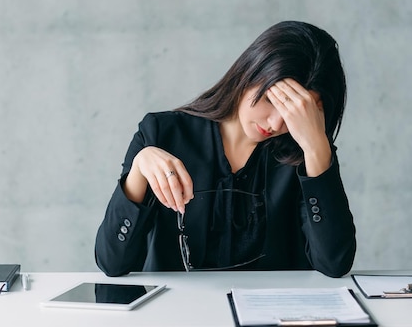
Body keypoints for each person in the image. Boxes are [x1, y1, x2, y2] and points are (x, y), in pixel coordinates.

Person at [95, 21, 356, 278]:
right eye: (269, 101)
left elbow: (333, 263)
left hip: (273, 313)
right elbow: (112, 263)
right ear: (248, 74)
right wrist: (138, 171)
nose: (276, 123)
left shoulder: (307, 156)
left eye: (294, 112)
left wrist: (316, 148)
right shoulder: (162, 133)